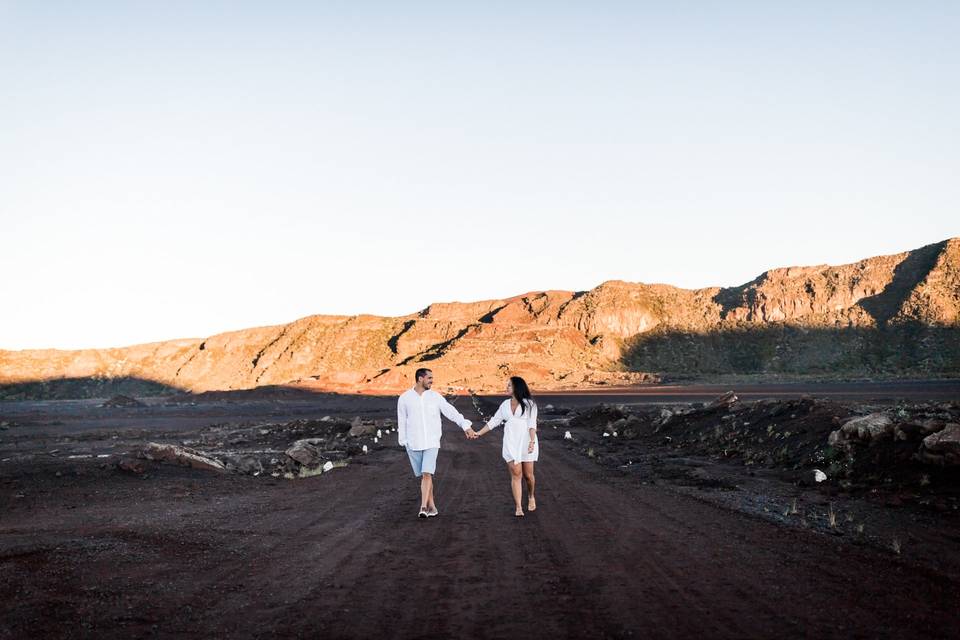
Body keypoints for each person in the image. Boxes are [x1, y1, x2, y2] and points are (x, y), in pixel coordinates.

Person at [397, 368, 477, 518]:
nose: (432, 381)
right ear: (420, 379)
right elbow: (402, 420)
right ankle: (432, 506)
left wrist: (465, 425)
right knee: (425, 476)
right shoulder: (405, 398)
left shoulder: (436, 397)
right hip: (413, 442)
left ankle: (423, 507)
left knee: (427, 473)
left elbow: (451, 412)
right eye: (429, 378)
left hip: (432, 441)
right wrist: (404, 441)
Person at [472, 376, 538, 517]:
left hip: (527, 442)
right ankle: (519, 507)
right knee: (516, 474)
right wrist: (479, 433)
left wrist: (532, 441)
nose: (506, 387)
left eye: (509, 385)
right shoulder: (504, 405)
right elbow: (494, 421)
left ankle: (531, 496)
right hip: (511, 442)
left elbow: (532, 425)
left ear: (517, 387)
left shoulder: (530, 404)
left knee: (528, 475)